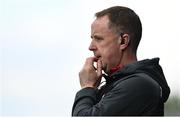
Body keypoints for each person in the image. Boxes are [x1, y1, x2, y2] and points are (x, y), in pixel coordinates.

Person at [72, 6, 170, 116]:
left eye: (98, 39)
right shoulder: (117, 85)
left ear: (123, 41)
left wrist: (87, 87)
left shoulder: (138, 85)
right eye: (92, 39)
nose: (91, 47)